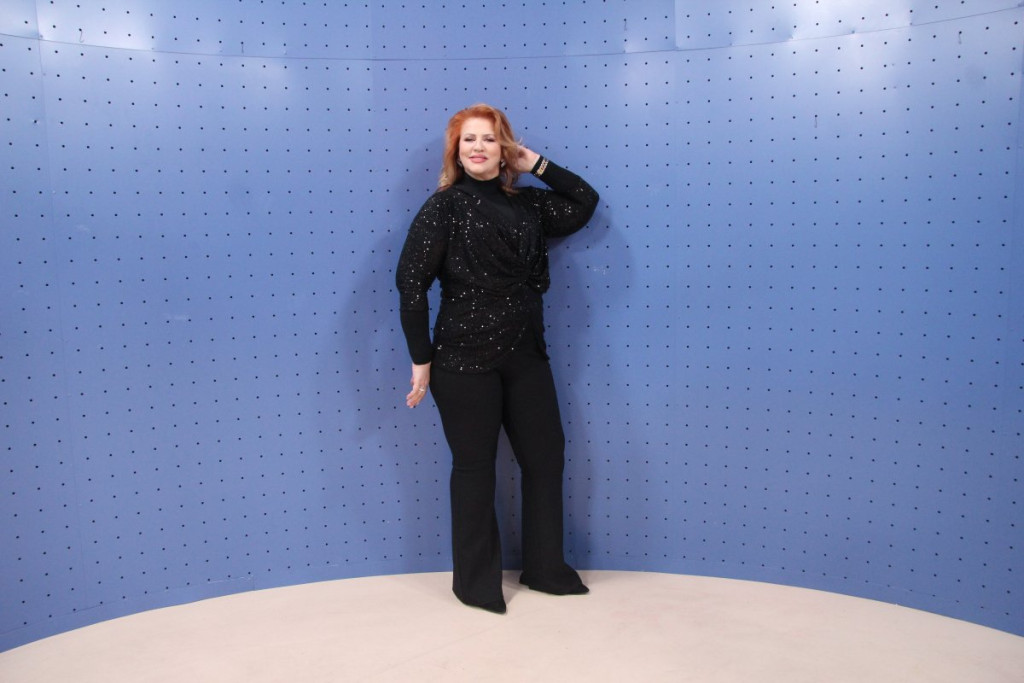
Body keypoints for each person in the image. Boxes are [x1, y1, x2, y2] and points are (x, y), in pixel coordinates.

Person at [395, 103, 599, 614]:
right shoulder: (444, 207)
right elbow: (411, 285)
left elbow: (584, 202)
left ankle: (545, 569)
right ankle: (475, 584)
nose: (479, 147)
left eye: (489, 138)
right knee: (474, 468)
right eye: (469, 140)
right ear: (456, 151)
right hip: (464, 360)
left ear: (504, 148)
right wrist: (421, 360)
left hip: (526, 354)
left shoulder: (529, 206)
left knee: (546, 458)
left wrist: (537, 164)